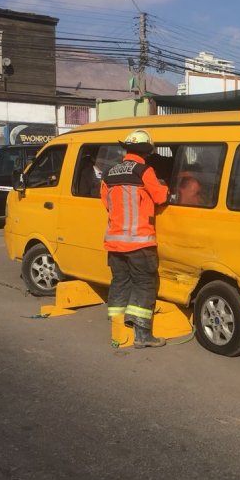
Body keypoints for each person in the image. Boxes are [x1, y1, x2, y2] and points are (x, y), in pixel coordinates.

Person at [100, 129, 169, 348]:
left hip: (114, 241)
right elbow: (160, 196)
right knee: (145, 284)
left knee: (120, 282)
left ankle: (118, 328)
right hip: (139, 241)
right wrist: (166, 187)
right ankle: (142, 335)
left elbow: (106, 203)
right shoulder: (143, 170)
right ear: (146, 152)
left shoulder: (108, 173)